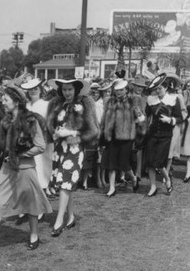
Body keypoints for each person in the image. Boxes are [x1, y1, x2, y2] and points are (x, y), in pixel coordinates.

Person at [0, 84, 52, 258]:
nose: (3, 102)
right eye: (2, 99)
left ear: (17, 101)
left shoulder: (31, 120)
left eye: (6, 99)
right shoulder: (6, 121)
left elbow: (40, 146)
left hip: (25, 168)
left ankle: (34, 235)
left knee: (31, 203)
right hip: (7, 168)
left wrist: (21, 154)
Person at [47, 77, 98, 236]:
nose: (67, 92)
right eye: (64, 89)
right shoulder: (56, 104)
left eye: (70, 89)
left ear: (76, 89)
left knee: (65, 182)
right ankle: (70, 217)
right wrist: (55, 133)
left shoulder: (84, 104)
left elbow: (93, 130)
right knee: (64, 183)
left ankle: (59, 219)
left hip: (75, 148)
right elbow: (50, 125)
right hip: (59, 148)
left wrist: (71, 132)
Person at [100, 79, 146, 197]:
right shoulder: (110, 101)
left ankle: (133, 178)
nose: (118, 92)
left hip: (126, 138)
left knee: (123, 164)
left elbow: (141, 118)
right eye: (117, 90)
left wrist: (135, 126)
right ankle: (112, 188)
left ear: (126, 90)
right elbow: (104, 118)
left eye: (121, 90)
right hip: (112, 137)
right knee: (111, 163)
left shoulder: (132, 101)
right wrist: (103, 131)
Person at [144, 73, 183, 196]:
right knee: (150, 162)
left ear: (166, 88)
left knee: (159, 163)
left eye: (160, 88)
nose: (157, 91)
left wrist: (170, 120)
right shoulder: (151, 100)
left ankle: (167, 180)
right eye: (156, 89)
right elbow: (146, 115)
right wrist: (141, 118)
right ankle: (153, 187)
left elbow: (180, 118)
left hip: (166, 135)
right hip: (152, 134)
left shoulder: (173, 99)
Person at [21, 78, 54, 197]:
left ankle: (42, 203)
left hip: (43, 143)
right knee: (31, 172)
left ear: (40, 90)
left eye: (35, 89)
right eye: (30, 89)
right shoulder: (25, 106)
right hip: (28, 144)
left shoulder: (47, 105)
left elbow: (51, 124)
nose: (33, 91)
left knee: (43, 172)